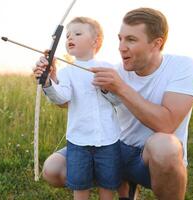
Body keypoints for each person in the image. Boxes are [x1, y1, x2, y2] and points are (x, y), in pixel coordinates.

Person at [41, 8, 193, 200]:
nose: (121, 47)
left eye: (131, 40)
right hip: (113, 148)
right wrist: (51, 80)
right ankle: (124, 180)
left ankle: (130, 181)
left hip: (150, 158)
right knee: (52, 169)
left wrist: (120, 88)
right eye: (120, 38)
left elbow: (166, 124)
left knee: (166, 146)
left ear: (156, 44)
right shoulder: (113, 71)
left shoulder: (182, 67)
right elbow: (71, 101)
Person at [34, 17, 122, 200]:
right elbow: (61, 97)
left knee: (108, 185)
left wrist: (106, 88)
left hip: (108, 140)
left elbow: (118, 100)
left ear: (95, 41)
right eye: (67, 36)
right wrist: (48, 81)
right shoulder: (67, 72)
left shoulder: (108, 68)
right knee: (80, 186)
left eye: (77, 33)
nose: (69, 38)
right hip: (79, 142)